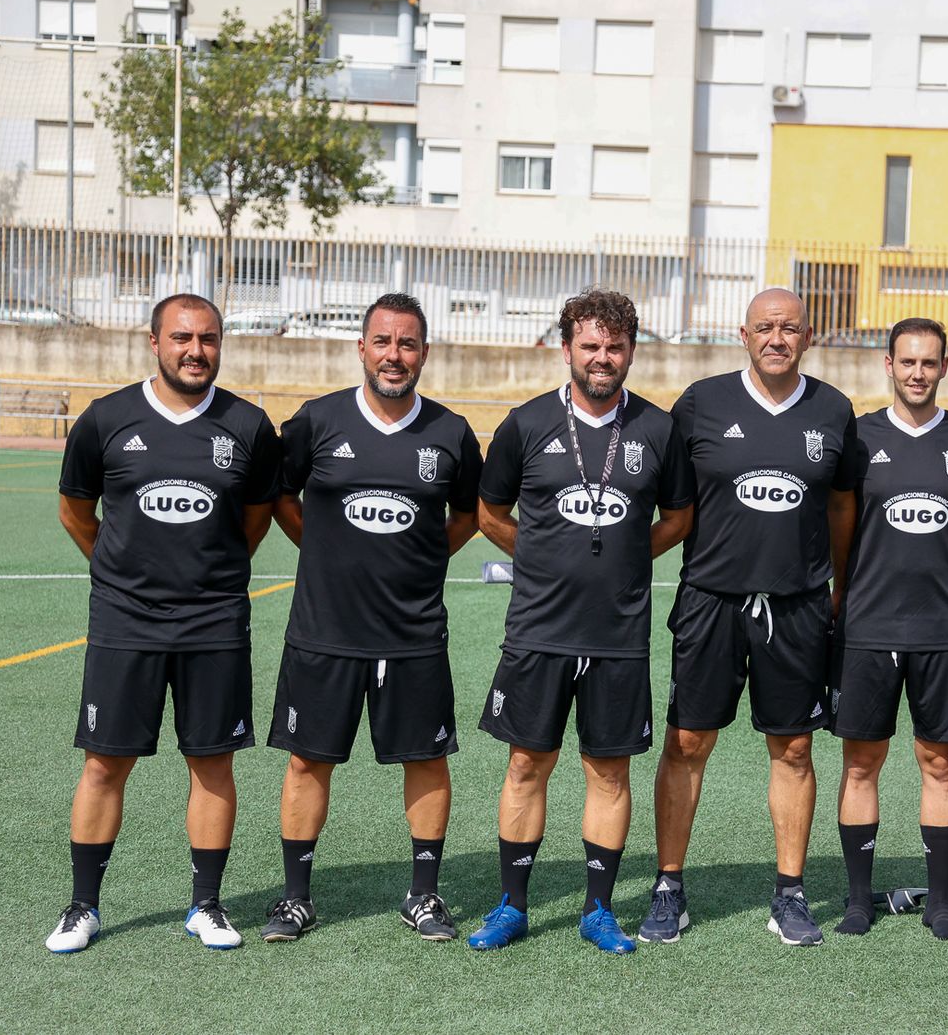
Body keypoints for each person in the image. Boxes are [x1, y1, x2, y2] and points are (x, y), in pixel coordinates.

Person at [47, 293, 280, 953]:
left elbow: (255, 518)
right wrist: (118, 570)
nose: (195, 349)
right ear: (154, 341)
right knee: (103, 764)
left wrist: (213, 573)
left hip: (214, 622)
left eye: (207, 338)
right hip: (126, 622)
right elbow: (74, 508)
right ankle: (82, 906)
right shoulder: (106, 419)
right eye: (181, 337)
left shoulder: (250, 426)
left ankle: (206, 904)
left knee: (212, 763)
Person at [468, 289, 694, 955]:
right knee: (526, 763)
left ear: (631, 351)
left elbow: (678, 517)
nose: (603, 357)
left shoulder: (657, 429)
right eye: (591, 345)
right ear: (566, 348)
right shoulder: (526, 423)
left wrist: (624, 557)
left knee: (609, 770)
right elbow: (488, 512)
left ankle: (599, 908)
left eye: (616, 346)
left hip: (617, 634)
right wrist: (541, 559)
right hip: (538, 629)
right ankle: (511, 902)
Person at [261, 292, 483, 944]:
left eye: (407, 343)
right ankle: (296, 897)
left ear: (424, 353)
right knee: (307, 761)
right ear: (361, 348)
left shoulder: (450, 433)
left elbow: (468, 515)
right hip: (324, 629)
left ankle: (423, 894)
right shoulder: (316, 421)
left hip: (412, 632)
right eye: (383, 342)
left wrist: (422, 557)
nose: (395, 355)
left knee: (427, 759)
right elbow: (280, 496)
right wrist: (327, 550)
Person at [638, 288, 857, 948]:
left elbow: (843, 507)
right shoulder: (702, 403)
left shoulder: (834, 409)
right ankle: (669, 885)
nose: (777, 338)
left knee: (792, 747)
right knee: (687, 742)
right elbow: (667, 501)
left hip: (796, 604)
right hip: (711, 600)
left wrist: (839, 585)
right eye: (765, 327)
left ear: (809, 337)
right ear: (744, 334)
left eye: (789, 328)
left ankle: (790, 891)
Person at [830, 317, 948, 941]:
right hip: (867, 624)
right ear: (887, 364)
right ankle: (859, 898)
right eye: (907, 362)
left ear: (945, 367)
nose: (918, 373)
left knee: (938, 762)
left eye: (930, 363)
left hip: (946, 628)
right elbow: (838, 521)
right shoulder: (857, 438)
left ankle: (940, 901)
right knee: (861, 762)